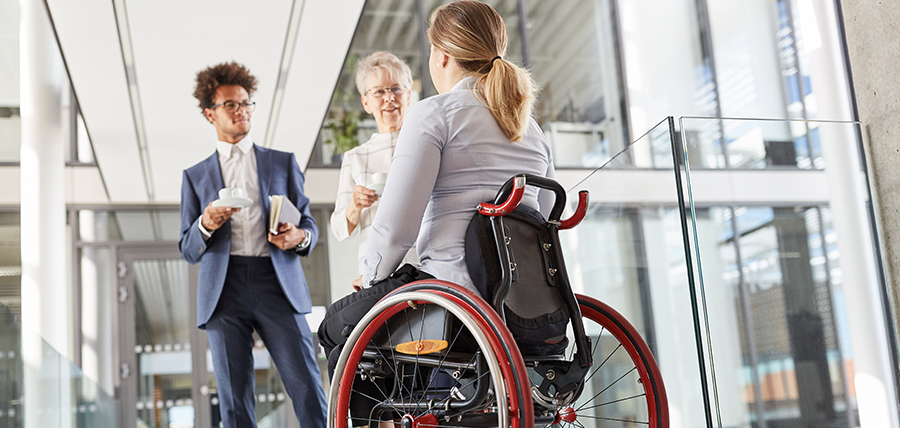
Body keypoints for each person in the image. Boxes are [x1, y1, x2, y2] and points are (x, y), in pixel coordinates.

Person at [318, 1, 555, 425]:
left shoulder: (435, 113)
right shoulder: (529, 127)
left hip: (455, 296)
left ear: (441, 55)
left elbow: (395, 228)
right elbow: (547, 215)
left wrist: (373, 282)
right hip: (529, 304)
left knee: (337, 327)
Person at [178, 61, 327, 428]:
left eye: (246, 103)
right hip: (223, 291)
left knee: (307, 386)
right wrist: (206, 224)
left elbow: (309, 226)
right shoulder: (195, 177)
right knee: (234, 400)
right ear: (209, 113)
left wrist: (299, 237)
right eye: (230, 104)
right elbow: (186, 247)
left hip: (276, 282)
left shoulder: (282, 162)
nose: (241, 110)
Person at [329, 51, 417, 268]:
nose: (389, 98)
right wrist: (355, 205)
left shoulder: (425, 144)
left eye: (396, 88)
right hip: (376, 268)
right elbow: (339, 230)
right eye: (379, 91)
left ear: (408, 96)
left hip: (423, 262)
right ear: (366, 102)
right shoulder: (355, 157)